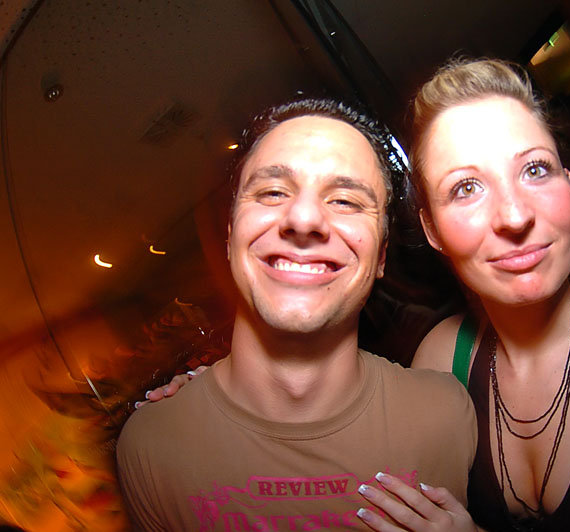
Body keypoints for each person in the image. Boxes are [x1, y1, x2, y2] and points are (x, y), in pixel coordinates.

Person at [151, 60, 570, 532]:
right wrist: (227, 399)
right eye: (466, 188)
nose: (514, 215)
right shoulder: (442, 361)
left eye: (535, 170)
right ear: (433, 230)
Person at [115, 98, 477, 531]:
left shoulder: (448, 415)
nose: (304, 218)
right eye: (272, 192)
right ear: (230, 237)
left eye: (345, 200)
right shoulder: (151, 446)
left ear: (381, 256)